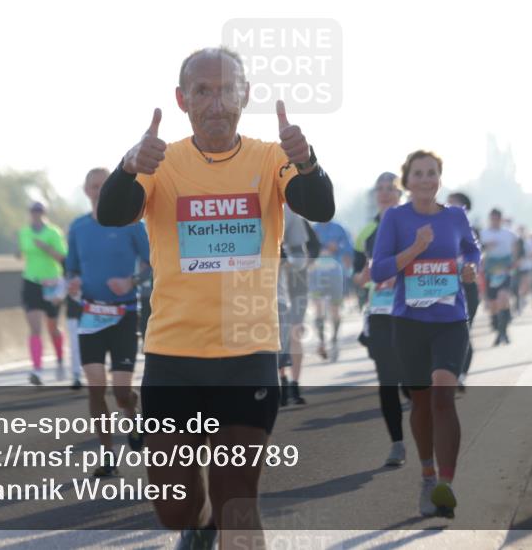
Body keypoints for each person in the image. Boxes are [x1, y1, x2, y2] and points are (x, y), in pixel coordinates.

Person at [97, 47, 334, 549]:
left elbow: (319, 204)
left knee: (237, 496)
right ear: (183, 100)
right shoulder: (160, 161)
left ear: (245, 94)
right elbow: (114, 214)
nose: (217, 103)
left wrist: (307, 161)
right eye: (203, 91)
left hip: (246, 354)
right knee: (173, 506)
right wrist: (126, 165)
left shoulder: (272, 158)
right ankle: (198, 526)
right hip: (172, 357)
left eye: (228, 90)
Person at [371, 150, 480, 519]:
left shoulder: (455, 216)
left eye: (431, 173)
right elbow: (379, 270)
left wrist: (468, 268)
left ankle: (446, 484)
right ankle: (428, 475)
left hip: (450, 320)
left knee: (443, 395)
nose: (425, 179)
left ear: (439, 178)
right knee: (420, 402)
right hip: (409, 323)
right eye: (418, 174)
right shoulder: (395, 218)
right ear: (407, 180)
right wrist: (415, 249)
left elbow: (472, 250)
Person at [65, 167, 150, 476]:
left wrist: (132, 282)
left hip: (125, 314)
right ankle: (107, 456)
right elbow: (71, 269)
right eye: (94, 186)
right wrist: (72, 282)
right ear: (86, 191)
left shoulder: (132, 225)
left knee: (121, 391)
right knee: (95, 388)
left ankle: (132, 410)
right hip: (90, 314)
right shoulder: (77, 228)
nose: (99, 191)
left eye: (104, 185)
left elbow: (153, 264)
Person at [355, 172, 407, 467]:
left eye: (391, 189)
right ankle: (397, 444)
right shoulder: (366, 232)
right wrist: (363, 277)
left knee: (410, 379)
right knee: (387, 380)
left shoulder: (410, 225)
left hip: (409, 311)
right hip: (379, 313)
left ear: (401, 194)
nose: (385, 193)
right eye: (380, 189)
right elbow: (359, 275)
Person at [16, 201, 68, 385]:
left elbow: (63, 257)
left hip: (52, 283)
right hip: (31, 282)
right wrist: (19, 254)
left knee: (52, 327)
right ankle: (37, 369)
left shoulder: (53, 232)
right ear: (30, 213)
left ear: (44, 212)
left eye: (39, 211)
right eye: (33, 211)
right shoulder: (24, 232)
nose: (36, 214)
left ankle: (60, 357)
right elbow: (22, 253)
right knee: (35, 328)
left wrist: (46, 248)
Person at [278, 204, 313, 406]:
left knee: (294, 334)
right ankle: (281, 382)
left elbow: (304, 257)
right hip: (271, 288)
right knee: (275, 336)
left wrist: (286, 260)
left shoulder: (292, 214)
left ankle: (294, 384)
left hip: (296, 285)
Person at [445, 191, 480, 389]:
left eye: (455, 205)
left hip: (467, 286)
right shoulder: (437, 226)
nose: (450, 207)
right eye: (448, 203)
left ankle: (460, 373)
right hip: (443, 285)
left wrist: (470, 266)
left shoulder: (471, 229)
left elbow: (475, 255)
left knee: (464, 330)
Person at [309, 219, 353, 362]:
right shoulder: (312, 230)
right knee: (318, 309)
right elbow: (306, 251)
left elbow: (348, 251)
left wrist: (348, 273)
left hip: (335, 275)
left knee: (335, 310)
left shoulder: (339, 228)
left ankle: (334, 339)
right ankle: (321, 342)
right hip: (316, 276)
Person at [479, 208, 519, 346]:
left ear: (501, 219)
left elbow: (515, 250)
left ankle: (503, 331)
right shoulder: (484, 233)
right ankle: (498, 327)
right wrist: (486, 247)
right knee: (493, 304)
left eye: (497, 218)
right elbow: (478, 249)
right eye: (492, 218)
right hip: (489, 271)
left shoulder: (509, 234)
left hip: (505, 270)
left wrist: (514, 262)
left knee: (503, 298)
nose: (495, 221)